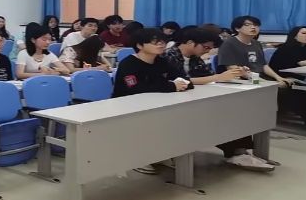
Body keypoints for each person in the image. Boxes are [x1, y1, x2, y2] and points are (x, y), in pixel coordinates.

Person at [160, 28, 276, 171]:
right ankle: (235, 153)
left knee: (233, 111)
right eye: (206, 47)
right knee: (217, 116)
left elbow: (207, 77)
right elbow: (179, 81)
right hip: (173, 101)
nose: (208, 51)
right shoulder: (168, 56)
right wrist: (217, 77)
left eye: (210, 48)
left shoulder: (195, 58)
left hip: (196, 97)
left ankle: (238, 152)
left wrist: (233, 74)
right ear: (190, 42)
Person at [112, 28, 189, 175]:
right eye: (155, 42)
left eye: (162, 42)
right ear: (140, 45)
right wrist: (171, 86)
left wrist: (181, 84)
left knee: (175, 120)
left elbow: (182, 78)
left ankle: (161, 154)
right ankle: (138, 158)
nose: (161, 45)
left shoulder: (161, 61)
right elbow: (135, 88)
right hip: (127, 106)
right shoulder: (128, 63)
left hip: (156, 103)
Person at [217, 16, 294, 88]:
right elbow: (232, 68)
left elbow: (263, 65)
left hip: (259, 77)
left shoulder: (256, 43)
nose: (253, 27)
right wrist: (264, 82)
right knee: (277, 89)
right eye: (247, 25)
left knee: (288, 84)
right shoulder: (229, 43)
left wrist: (278, 77)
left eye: (256, 25)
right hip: (241, 79)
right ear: (237, 28)